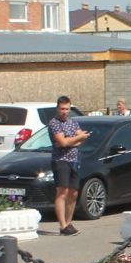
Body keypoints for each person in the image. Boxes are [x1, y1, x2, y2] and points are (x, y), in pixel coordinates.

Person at [46, 96, 89, 235]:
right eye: (62, 109)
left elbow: (81, 139)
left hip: (74, 160)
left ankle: (69, 223)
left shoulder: (73, 122)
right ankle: (63, 226)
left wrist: (71, 141)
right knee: (62, 192)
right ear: (57, 109)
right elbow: (62, 143)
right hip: (60, 160)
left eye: (67, 109)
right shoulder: (54, 123)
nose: (65, 111)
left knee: (74, 192)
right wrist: (73, 140)